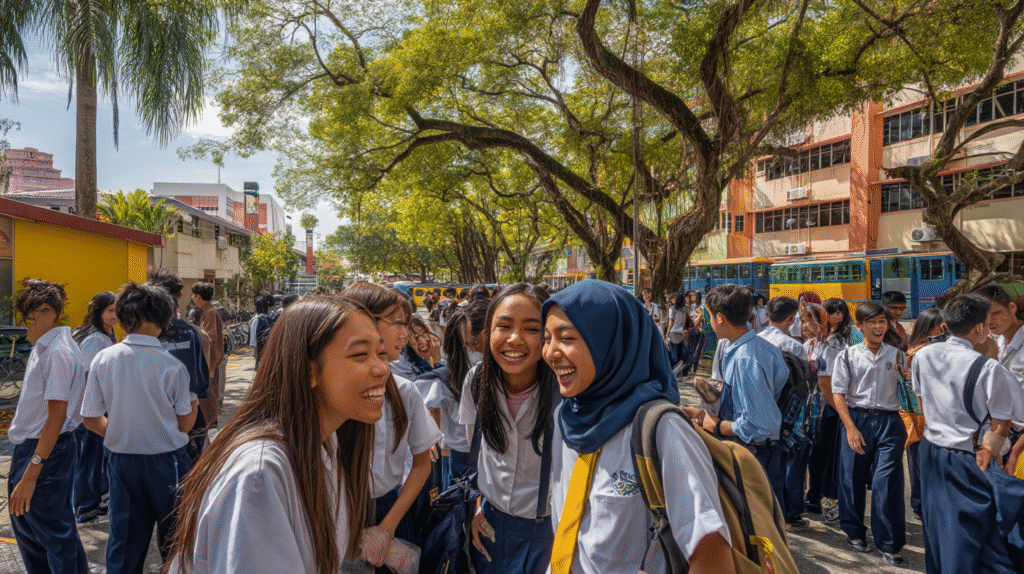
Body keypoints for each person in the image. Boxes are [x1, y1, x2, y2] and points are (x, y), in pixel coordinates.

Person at [165, 297, 385, 574]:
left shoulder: (327, 443)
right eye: (360, 355)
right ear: (308, 370)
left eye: (381, 353)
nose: (382, 368)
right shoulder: (260, 475)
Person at [541, 279, 734, 574]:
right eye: (546, 338)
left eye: (566, 338)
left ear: (611, 342)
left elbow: (713, 556)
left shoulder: (664, 431)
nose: (550, 352)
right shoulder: (565, 418)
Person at [81, 282, 198, 573]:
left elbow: (90, 418)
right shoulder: (172, 366)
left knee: (124, 544)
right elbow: (185, 424)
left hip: (122, 462)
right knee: (176, 542)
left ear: (121, 321)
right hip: (169, 462)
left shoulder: (103, 359)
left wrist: (123, 432)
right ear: (165, 320)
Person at [913, 294, 1024, 574]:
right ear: (979, 328)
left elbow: (921, 403)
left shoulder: (923, 355)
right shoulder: (988, 367)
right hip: (968, 457)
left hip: (931, 450)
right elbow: (1002, 423)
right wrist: (990, 452)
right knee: (972, 534)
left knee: (940, 526)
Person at [459, 283, 560, 574]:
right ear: (487, 332)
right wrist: (476, 506)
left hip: (547, 532)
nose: (515, 339)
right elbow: (475, 455)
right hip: (489, 524)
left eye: (531, 329)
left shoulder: (563, 392)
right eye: (503, 326)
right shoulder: (476, 380)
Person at [341, 282, 441, 571]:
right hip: (338, 517)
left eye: (406, 324)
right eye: (397, 322)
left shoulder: (405, 391)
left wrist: (386, 528)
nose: (405, 334)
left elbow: (422, 464)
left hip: (392, 512)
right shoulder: (334, 392)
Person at [7, 279, 89, 574]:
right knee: (32, 529)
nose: (26, 324)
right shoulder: (47, 347)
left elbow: (57, 415)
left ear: (50, 312)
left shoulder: (57, 352)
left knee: (52, 534)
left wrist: (32, 472)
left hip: (44, 450)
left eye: (31, 317)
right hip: (37, 448)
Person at [829, 302, 907, 564]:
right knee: (852, 478)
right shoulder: (847, 356)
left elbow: (910, 390)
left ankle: (889, 543)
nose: (878, 327)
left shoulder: (898, 355)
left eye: (882, 321)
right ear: (859, 326)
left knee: (887, 481)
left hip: (890, 422)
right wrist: (850, 428)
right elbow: (838, 393)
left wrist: (908, 378)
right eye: (871, 322)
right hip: (857, 419)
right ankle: (854, 532)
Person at [700, 284, 789, 506]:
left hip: (755, 457)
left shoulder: (745, 359)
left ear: (720, 318)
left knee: (756, 518)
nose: (709, 323)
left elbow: (759, 425)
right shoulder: (759, 347)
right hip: (759, 453)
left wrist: (716, 426)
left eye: (709, 317)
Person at [422, 298, 489, 487]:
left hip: (464, 455)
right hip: (467, 455)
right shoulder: (469, 374)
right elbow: (433, 413)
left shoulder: (445, 376)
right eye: (469, 343)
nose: (472, 348)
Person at [149, 269, 212, 461]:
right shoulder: (191, 333)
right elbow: (202, 382)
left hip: (149, 415)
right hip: (187, 415)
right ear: (180, 296)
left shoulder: (141, 333)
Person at [70, 291, 118, 524]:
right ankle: (85, 506)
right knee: (89, 457)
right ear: (98, 311)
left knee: (95, 455)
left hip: (92, 407)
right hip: (89, 408)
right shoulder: (95, 338)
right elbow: (89, 375)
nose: (115, 315)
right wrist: (95, 405)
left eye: (117, 310)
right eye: (110, 310)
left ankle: (94, 500)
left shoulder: (104, 334)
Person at [806, 297, 854, 522]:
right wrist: (843, 413)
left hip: (828, 407)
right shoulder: (828, 343)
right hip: (829, 407)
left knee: (822, 453)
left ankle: (817, 495)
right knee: (824, 454)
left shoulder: (832, 343)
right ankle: (822, 497)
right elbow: (825, 382)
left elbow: (825, 381)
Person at [902, 307, 944, 521]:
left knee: (918, 460)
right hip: (921, 415)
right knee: (922, 461)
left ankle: (920, 503)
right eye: (942, 327)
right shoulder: (921, 352)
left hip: (917, 415)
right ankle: (921, 503)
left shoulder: (914, 349)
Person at [191, 282, 224, 428]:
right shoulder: (208, 310)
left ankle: (211, 430)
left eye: (193, 295)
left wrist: (209, 366)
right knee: (208, 400)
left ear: (198, 296)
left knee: (208, 401)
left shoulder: (209, 312)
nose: (192, 298)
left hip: (209, 364)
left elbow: (209, 337)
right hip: (209, 363)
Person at [390, 315, 441, 381]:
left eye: (424, 333)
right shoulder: (403, 368)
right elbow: (439, 385)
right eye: (415, 338)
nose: (422, 341)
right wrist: (437, 361)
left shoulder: (424, 360)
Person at [666, 291, 694, 373]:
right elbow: (684, 321)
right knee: (681, 354)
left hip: (674, 333)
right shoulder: (684, 309)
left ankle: (674, 372)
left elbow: (671, 322)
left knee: (675, 355)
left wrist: (667, 333)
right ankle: (676, 373)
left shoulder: (672, 309)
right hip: (680, 333)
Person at [248, 291, 276, 366]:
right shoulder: (270, 318)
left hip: (260, 348)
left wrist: (254, 350)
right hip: (270, 347)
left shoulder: (255, 320)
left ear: (255, 307)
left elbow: (253, 338)